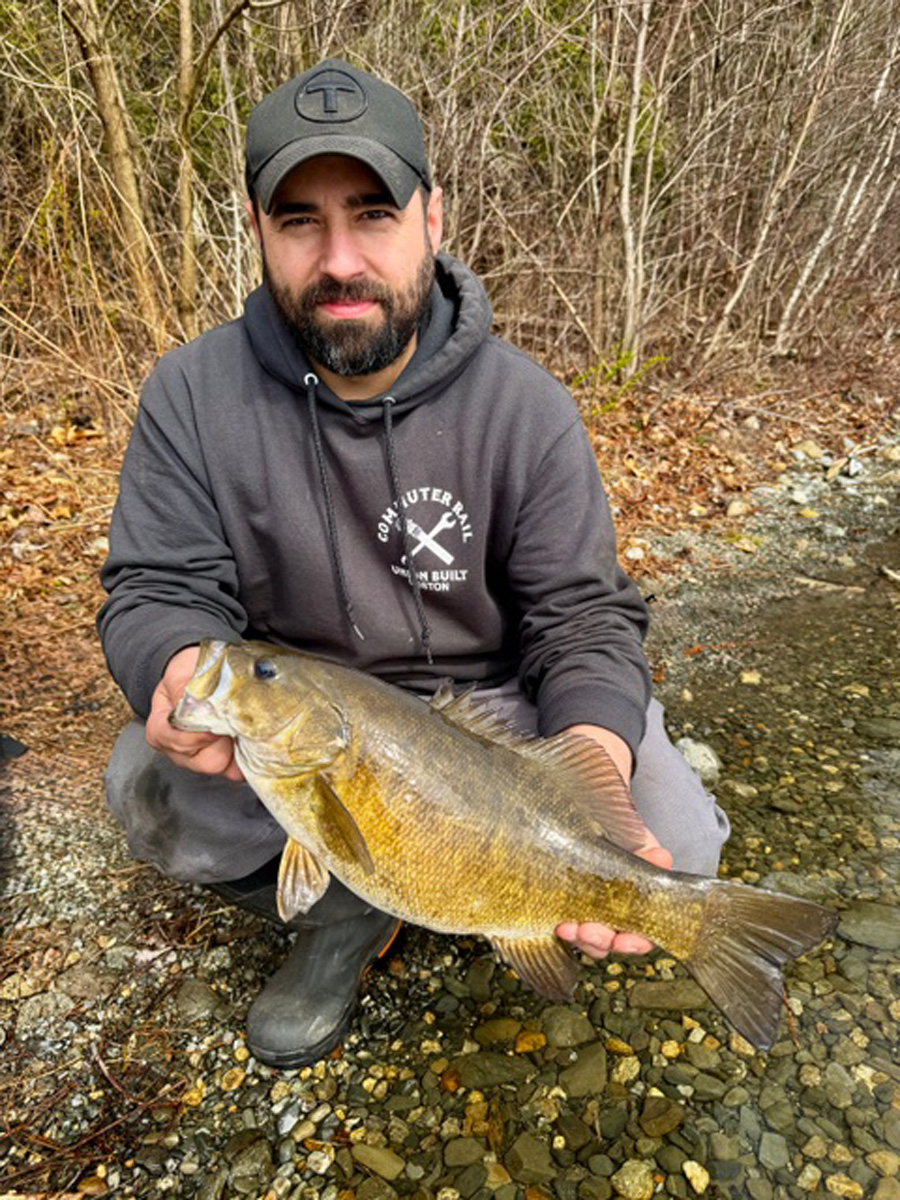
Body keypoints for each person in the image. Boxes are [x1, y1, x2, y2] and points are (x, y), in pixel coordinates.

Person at [99, 58, 730, 1070]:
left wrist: (587, 789)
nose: (339, 256)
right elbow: (155, 588)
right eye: (300, 220)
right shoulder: (191, 394)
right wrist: (171, 659)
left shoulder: (526, 409)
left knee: (676, 850)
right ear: (259, 232)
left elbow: (585, 620)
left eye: (375, 213)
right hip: (309, 708)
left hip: (493, 720)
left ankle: (495, 895)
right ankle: (347, 913)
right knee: (150, 783)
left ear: (433, 218)